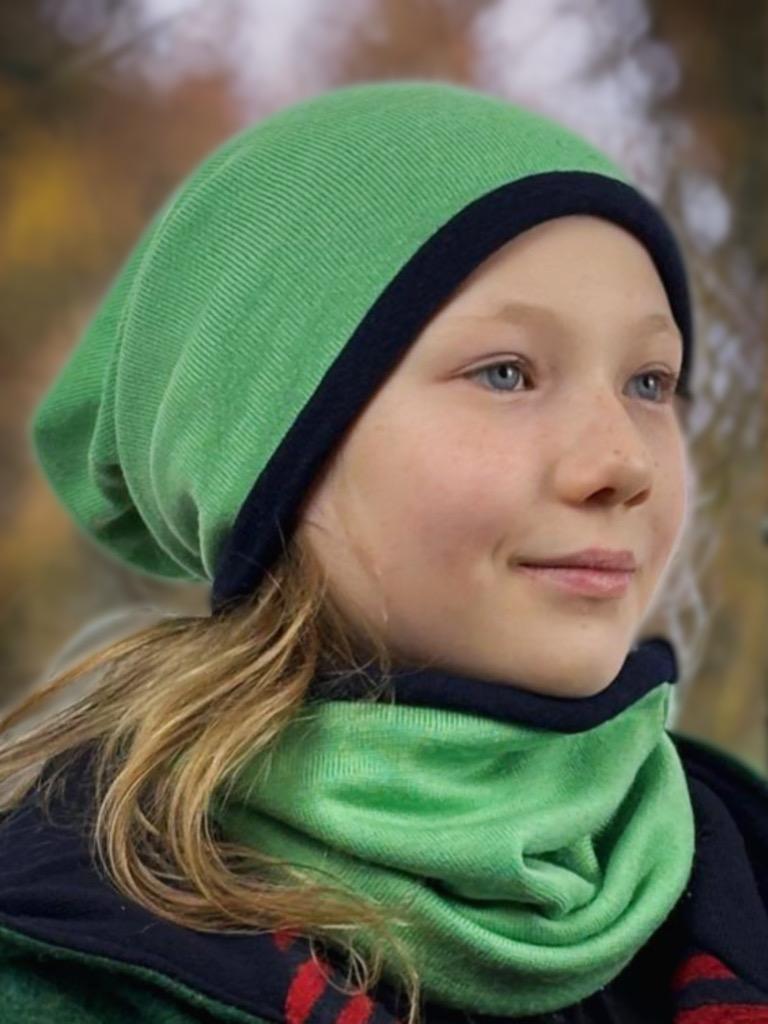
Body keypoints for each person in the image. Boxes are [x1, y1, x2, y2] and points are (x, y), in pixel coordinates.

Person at [0, 78, 766, 1024]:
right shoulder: (69, 961)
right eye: (506, 373)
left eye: (649, 382)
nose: (624, 463)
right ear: (272, 448)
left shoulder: (744, 863)